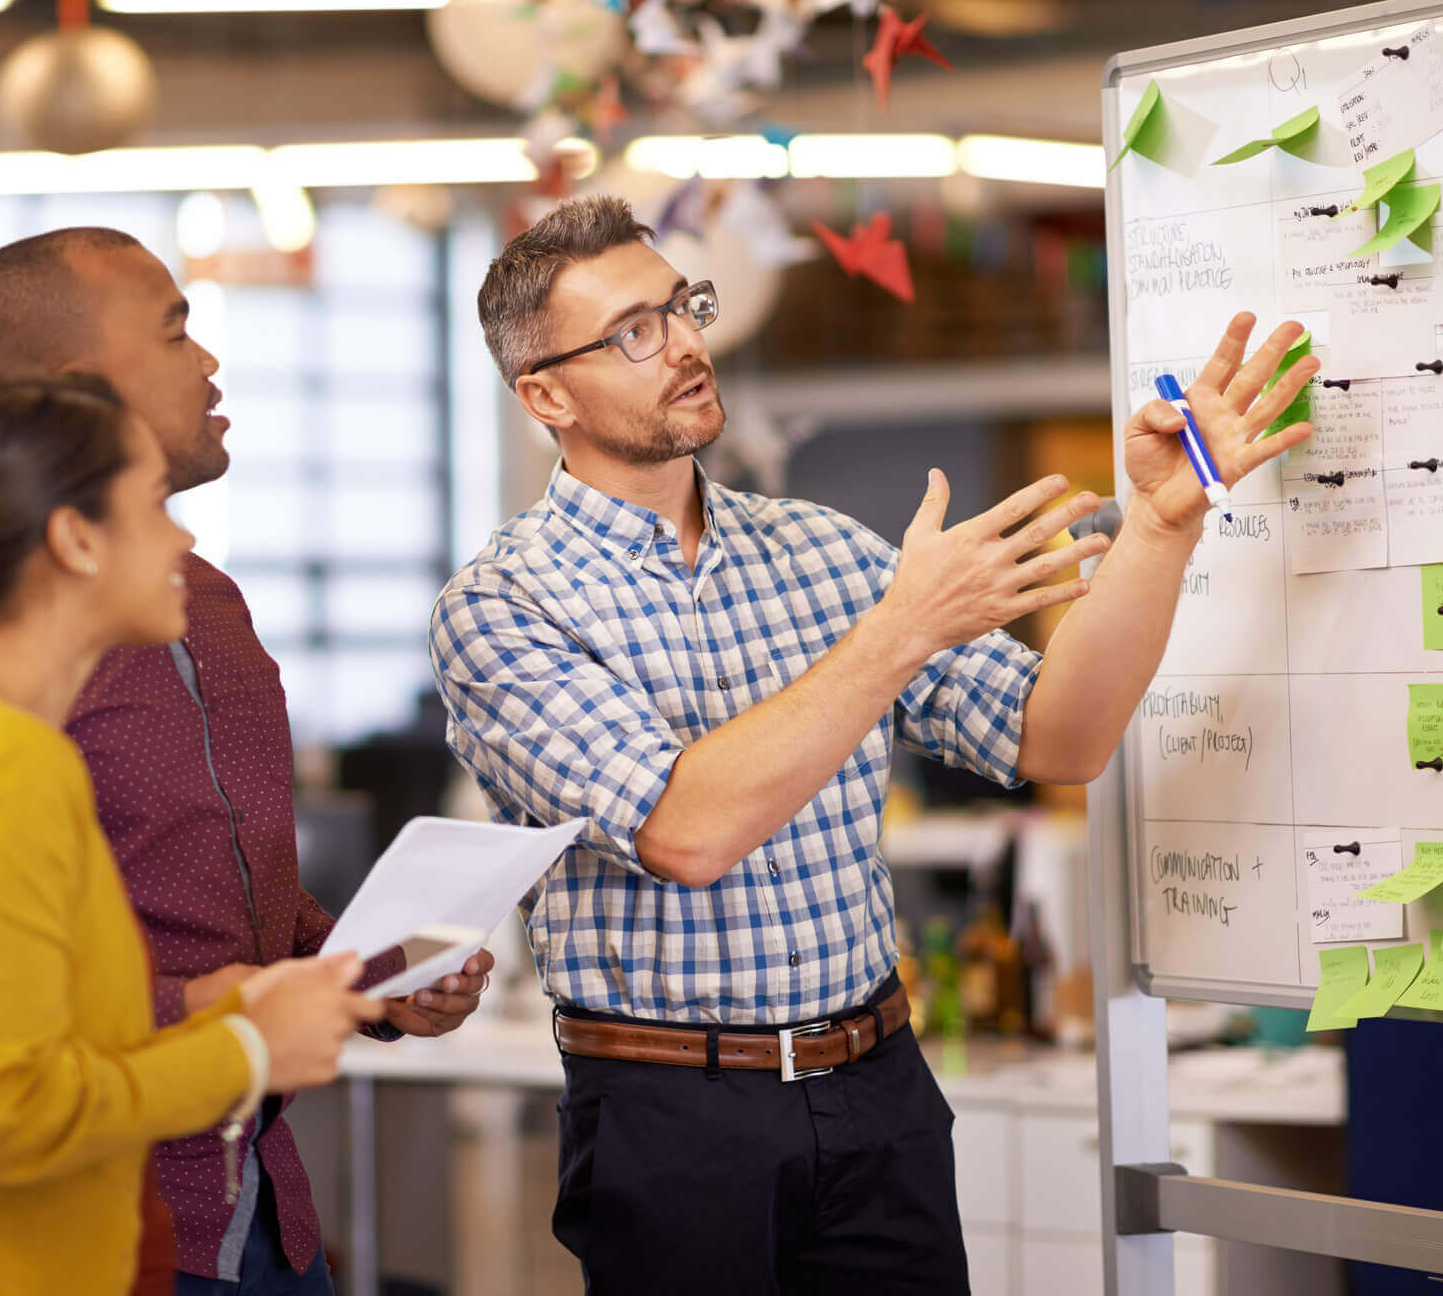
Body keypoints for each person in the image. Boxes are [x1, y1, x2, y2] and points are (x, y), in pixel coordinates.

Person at [430, 194, 1316, 1293]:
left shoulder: (815, 548)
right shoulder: (503, 605)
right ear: (545, 393)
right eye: (633, 332)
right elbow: (685, 828)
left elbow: (1061, 733)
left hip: (877, 1088)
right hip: (672, 1117)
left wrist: (1161, 524)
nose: (688, 345)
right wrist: (900, 629)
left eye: (682, 307)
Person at [0, 228, 493, 1296]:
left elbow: (194, 923)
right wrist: (239, 1034)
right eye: (178, 329)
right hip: (62, 1237)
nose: (179, 544)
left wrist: (357, 974)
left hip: (242, 1200)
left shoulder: (186, 622)